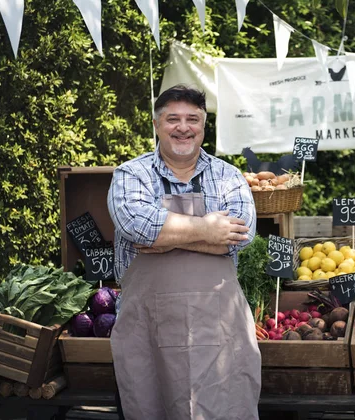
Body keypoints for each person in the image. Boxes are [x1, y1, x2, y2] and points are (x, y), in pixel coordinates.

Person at [107, 85, 261, 420]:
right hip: (146, 329)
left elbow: (239, 235)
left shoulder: (229, 177)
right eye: (172, 119)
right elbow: (136, 224)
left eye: (192, 119)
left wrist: (164, 237)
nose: (183, 127)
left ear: (203, 127)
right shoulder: (132, 174)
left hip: (219, 328)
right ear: (156, 125)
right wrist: (208, 230)